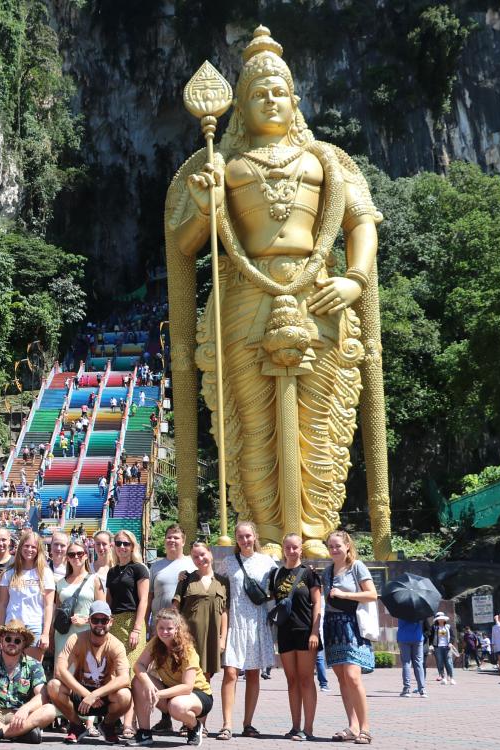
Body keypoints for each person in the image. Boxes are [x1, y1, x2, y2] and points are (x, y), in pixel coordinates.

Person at [165, 24, 389, 559]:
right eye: (257, 93)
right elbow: (184, 244)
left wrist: (353, 278)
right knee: (252, 422)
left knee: (318, 418)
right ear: (239, 106)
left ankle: (314, 531)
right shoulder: (221, 165)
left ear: (295, 100)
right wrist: (204, 204)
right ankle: (263, 533)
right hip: (245, 295)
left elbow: (362, 225)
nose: (270, 99)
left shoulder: (326, 161)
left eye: (278, 91)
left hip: (318, 294)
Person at [214, 521, 277, 741]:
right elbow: (214, 583)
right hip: (235, 622)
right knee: (230, 673)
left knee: (252, 673)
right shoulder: (229, 562)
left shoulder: (267, 562)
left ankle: (248, 723)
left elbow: (281, 585)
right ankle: (226, 723)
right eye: (240, 537)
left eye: (248, 536)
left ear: (255, 536)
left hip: (257, 622)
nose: (245, 540)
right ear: (236, 539)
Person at [47, 601, 133, 744]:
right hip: (80, 694)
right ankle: (76, 725)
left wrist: (95, 695)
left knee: (125, 695)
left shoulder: (116, 645)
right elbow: (60, 670)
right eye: (95, 620)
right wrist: (86, 694)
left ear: (111, 622)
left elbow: (124, 678)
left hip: (104, 697)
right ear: (89, 621)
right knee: (53, 686)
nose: (99, 624)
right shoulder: (75, 639)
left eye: (104, 620)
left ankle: (108, 725)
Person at [322, 529, 377, 744]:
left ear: (347, 546)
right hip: (332, 626)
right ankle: (353, 726)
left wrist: (344, 594)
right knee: (342, 679)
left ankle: (365, 728)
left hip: (353, 624)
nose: (334, 549)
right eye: (330, 546)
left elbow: (372, 594)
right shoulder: (327, 572)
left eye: (337, 545)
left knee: (353, 677)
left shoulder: (356, 567)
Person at [127, 609, 213, 746]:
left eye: (169, 628)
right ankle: (144, 733)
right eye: (161, 628)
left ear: (177, 629)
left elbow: (187, 687)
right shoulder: (156, 643)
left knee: (176, 706)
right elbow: (139, 665)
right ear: (156, 627)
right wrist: (149, 686)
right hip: (171, 691)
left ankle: (194, 726)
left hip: (197, 694)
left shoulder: (187, 649)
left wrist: (158, 694)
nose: (164, 632)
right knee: (138, 681)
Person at [270, 533, 323, 740]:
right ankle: (295, 726)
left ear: (301, 549)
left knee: (306, 680)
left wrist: (314, 632)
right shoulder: (276, 574)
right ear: (283, 549)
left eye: (295, 548)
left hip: (305, 631)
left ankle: (308, 729)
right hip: (284, 632)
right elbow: (274, 601)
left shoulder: (309, 573)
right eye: (288, 547)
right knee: (291, 681)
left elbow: (317, 603)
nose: (291, 551)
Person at [146, 524, 197, 734]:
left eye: (176, 538)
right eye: (169, 537)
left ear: (183, 541)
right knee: (158, 672)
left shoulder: (191, 565)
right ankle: (165, 718)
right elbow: (149, 596)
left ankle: (187, 720)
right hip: (158, 629)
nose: (172, 541)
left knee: (181, 672)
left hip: (180, 629)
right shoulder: (156, 567)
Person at [106, 529, 150, 740]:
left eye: (126, 544)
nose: (122, 547)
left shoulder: (139, 569)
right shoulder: (112, 571)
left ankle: (128, 723)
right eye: (118, 543)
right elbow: (108, 601)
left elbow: (143, 601)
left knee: (131, 674)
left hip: (133, 622)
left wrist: (137, 629)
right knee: (116, 673)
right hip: (115, 623)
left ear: (133, 546)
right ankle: (116, 719)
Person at [174, 542, 227, 687]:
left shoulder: (223, 582)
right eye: (195, 557)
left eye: (203, 554)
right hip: (188, 637)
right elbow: (174, 609)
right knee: (185, 675)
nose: (200, 559)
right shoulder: (186, 580)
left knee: (205, 678)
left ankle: (202, 708)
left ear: (210, 553)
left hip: (211, 637)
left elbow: (224, 611)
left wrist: (222, 638)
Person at [0, 530, 55, 661]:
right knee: (10, 668)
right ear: (20, 547)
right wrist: (0, 632)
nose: (29, 549)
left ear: (39, 549)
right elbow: (2, 605)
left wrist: (46, 633)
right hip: (12, 626)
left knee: (32, 671)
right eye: (26, 546)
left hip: (34, 627)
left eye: (33, 547)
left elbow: (48, 606)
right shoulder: (8, 573)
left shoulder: (45, 573)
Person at [53, 541, 102, 656]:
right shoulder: (60, 583)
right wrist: (51, 635)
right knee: (62, 671)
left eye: (79, 553)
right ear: (67, 558)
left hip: (86, 633)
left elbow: (102, 612)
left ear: (86, 555)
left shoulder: (94, 579)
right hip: (63, 635)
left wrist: (85, 620)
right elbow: (57, 612)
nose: (76, 557)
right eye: (71, 554)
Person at [396, 617, 426, 698]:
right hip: (417, 637)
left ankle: (407, 689)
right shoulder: (419, 610)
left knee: (406, 663)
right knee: (418, 663)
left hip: (403, 637)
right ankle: (422, 690)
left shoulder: (400, 609)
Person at [429, 612, 456, 686]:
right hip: (437, 647)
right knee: (440, 662)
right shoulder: (434, 627)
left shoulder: (448, 626)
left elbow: (453, 636)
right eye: (439, 619)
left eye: (442, 619)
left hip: (447, 647)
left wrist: (451, 643)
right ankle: (443, 677)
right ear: (437, 620)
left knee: (449, 662)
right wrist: (430, 645)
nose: (440, 620)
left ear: (444, 620)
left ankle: (451, 678)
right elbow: (430, 637)